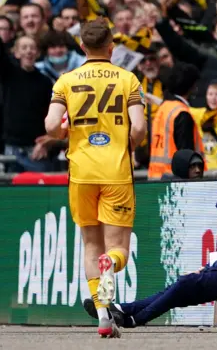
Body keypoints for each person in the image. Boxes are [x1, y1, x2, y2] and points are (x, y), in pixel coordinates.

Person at [44, 18, 146, 338]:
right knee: (117, 251)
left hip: (81, 172)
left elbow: (50, 127)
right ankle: (110, 268)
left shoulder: (66, 81)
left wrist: (63, 130)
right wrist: (129, 143)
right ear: (112, 47)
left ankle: (103, 315)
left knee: (91, 244)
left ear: (82, 47)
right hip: (115, 170)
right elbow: (139, 128)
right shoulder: (128, 79)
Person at [81, 161, 217, 329]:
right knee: (179, 288)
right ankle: (125, 310)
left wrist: (207, 269)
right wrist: (207, 269)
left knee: (185, 283)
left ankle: (132, 318)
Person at [2, 36, 56, 172]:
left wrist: (47, 141)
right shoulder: (8, 75)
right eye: (24, 48)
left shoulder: (45, 82)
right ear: (16, 53)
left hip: (36, 148)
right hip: (11, 147)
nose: (29, 51)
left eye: (32, 48)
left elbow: (50, 114)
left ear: (38, 53)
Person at [147, 63, 206, 180]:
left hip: (155, 178)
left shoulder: (164, 107)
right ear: (192, 86)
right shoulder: (181, 113)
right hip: (176, 183)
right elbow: (187, 155)